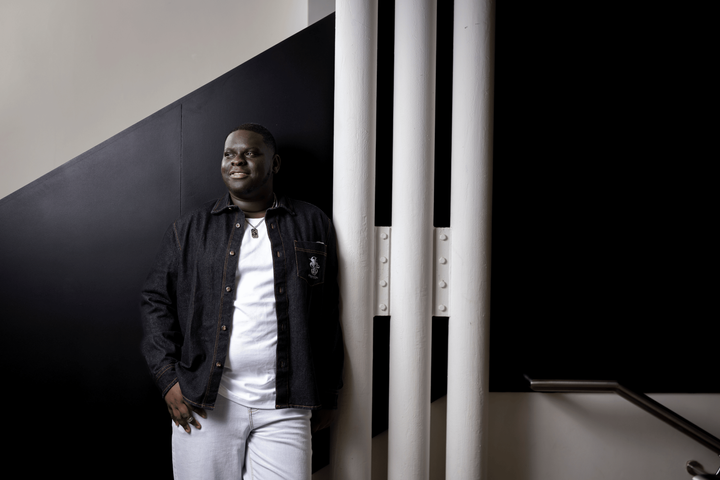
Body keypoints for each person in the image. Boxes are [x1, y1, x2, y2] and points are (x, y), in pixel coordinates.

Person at [141, 123, 343, 479]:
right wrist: (167, 378)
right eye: (229, 154)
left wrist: (328, 391)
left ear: (274, 163)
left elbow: (327, 312)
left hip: (288, 402)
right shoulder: (190, 229)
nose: (237, 161)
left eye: (250, 153)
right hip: (206, 401)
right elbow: (155, 300)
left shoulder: (312, 222)